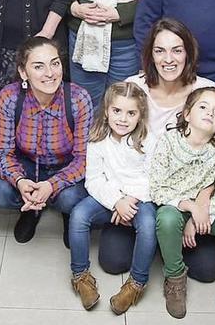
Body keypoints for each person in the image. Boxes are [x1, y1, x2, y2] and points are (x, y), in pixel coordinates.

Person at [100, 18, 215, 283]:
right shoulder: (134, 87)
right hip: (139, 198)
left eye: (177, 50)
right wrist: (119, 198)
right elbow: (109, 147)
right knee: (113, 261)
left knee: (207, 270)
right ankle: (154, 236)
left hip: (185, 199)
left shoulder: (207, 92)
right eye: (160, 50)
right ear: (150, 55)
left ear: (188, 53)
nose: (168, 59)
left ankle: (166, 236)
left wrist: (201, 207)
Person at [149, 87, 215, 324]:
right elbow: (156, 188)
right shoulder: (168, 141)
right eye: (203, 107)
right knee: (166, 219)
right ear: (187, 113)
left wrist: (203, 213)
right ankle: (175, 279)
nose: (211, 113)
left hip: (206, 212)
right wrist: (190, 207)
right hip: (176, 207)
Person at [0, 37, 93, 246]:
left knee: (70, 199)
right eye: (38, 66)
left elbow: (83, 158)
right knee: (0, 193)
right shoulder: (10, 97)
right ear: (23, 72)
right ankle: (31, 208)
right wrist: (20, 181)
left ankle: (66, 212)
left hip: (66, 167)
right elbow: (2, 152)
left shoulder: (78, 98)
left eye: (55, 63)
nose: (50, 73)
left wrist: (51, 185)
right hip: (27, 164)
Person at [68, 82, 156, 315]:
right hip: (109, 197)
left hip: (140, 198)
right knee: (78, 215)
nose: (123, 119)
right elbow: (93, 180)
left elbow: (152, 179)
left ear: (140, 115)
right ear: (106, 110)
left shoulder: (149, 139)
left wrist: (129, 198)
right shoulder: (97, 139)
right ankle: (80, 276)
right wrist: (117, 201)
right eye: (117, 111)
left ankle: (136, 282)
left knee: (148, 225)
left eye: (131, 113)